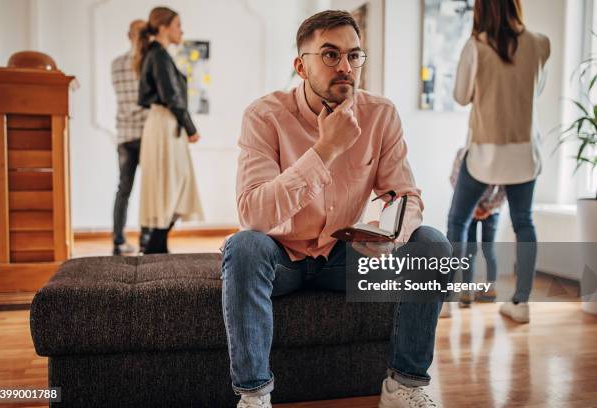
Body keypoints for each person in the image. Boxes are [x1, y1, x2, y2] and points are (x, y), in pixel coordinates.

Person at [222, 10, 451, 408]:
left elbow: (405, 195)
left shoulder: (381, 115)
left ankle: (405, 388)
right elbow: (253, 214)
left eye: (354, 56)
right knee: (243, 246)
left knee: (431, 243)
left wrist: (389, 232)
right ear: (300, 65)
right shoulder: (264, 116)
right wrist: (325, 149)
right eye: (330, 55)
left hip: (346, 255)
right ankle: (254, 396)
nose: (345, 67)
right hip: (281, 257)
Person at [447, 0, 550, 323]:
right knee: (524, 223)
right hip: (524, 153)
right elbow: (537, 89)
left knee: (458, 222)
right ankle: (521, 302)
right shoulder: (541, 44)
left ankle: (450, 296)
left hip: (484, 154)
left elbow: (461, 96)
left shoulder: (476, 46)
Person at [134, 6, 204, 254]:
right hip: (164, 124)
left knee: (174, 184)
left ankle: (157, 246)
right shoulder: (159, 55)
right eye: (177, 25)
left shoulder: (158, 54)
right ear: (163, 28)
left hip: (164, 124)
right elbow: (172, 96)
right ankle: (155, 247)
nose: (181, 30)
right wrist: (190, 127)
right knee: (173, 184)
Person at [111, 19, 151, 255]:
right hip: (146, 134)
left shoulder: (116, 64)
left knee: (123, 189)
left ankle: (118, 240)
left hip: (124, 134)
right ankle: (146, 238)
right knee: (149, 189)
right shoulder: (147, 63)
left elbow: (123, 99)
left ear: (129, 36)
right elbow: (146, 103)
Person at [450, 148, 505, 307]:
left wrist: (481, 208)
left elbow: (454, 179)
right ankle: (480, 290)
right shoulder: (464, 153)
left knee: (477, 251)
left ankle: (470, 292)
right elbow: (503, 190)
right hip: (485, 210)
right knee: (479, 250)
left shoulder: (463, 153)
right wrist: (484, 208)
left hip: (482, 210)